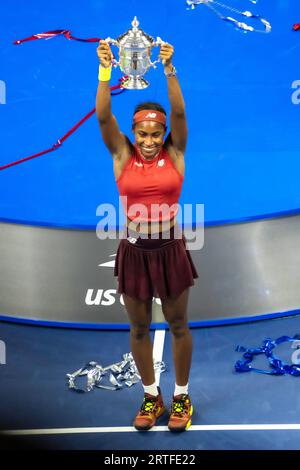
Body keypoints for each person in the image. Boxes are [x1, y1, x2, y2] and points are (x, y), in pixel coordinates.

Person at [95, 39, 198, 432]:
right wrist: (105, 71)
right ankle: (152, 396)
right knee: (138, 328)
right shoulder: (122, 155)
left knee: (178, 324)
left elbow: (180, 111)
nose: (151, 142)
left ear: (164, 134)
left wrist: (170, 68)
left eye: (157, 134)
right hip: (135, 252)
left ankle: (183, 396)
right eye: (144, 134)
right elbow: (105, 119)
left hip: (170, 249)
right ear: (135, 134)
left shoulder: (176, 152)